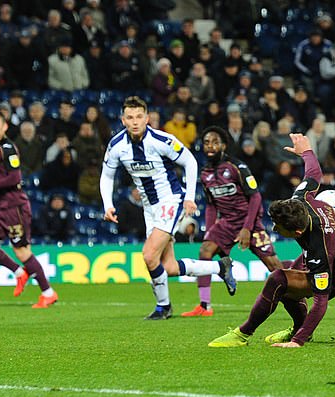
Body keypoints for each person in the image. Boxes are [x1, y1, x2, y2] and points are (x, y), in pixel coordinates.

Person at [208, 133, 335, 348]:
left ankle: (244, 334)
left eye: (280, 228)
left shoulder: (320, 247)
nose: (276, 230)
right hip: (333, 250)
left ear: (297, 232)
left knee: (279, 279)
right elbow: (314, 173)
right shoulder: (300, 198)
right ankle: (299, 328)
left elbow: (320, 302)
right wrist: (306, 151)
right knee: (286, 271)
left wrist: (297, 343)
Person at [99, 96, 236, 320]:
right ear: (123, 120)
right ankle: (220, 268)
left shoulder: (161, 140)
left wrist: (190, 197)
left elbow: (190, 162)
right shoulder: (116, 146)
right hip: (149, 207)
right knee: (169, 267)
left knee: (149, 255)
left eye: (139, 117)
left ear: (147, 118)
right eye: (130, 117)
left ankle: (164, 307)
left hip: (170, 201)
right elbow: (106, 175)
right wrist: (108, 204)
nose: (135, 122)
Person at [182, 126, 283, 317]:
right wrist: (210, 231)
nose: (210, 146)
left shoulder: (237, 167)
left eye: (215, 142)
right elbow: (211, 205)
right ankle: (204, 306)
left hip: (249, 221)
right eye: (206, 142)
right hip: (227, 223)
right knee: (205, 250)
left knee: (273, 266)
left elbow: (255, 198)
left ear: (224, 145)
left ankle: (301, 275)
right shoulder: (204, 174)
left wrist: (247, 228)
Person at [0, 110, 58, 308]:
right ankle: (19, 273)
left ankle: (48, 293)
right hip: (1, 206)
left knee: (22, 251)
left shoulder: (7, 148)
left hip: (14, 208)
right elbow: (1, 178)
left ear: (4, 127)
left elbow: (15, 177)